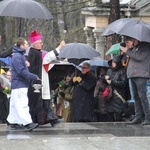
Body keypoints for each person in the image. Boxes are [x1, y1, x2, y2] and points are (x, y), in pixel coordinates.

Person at [27, 30, 65, 126]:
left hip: (41, 79)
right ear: (35, 44)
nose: (42, 44)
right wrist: (59, 48)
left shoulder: (37, 53)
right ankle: (41, 119)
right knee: (39, 101)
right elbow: (47, 58)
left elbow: (45, 63)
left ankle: (50, 119)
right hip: (37, 82)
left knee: (44, 100)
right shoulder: (34, 53)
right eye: (40, 43)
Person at [7, 37, 39, 131]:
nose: (28, 45)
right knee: (22, 104)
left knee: (15, 104)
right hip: (20, 84)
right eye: (26, 44)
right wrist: (34, 76)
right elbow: (21, 71)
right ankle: (27, 123)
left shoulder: (18, 55)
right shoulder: (18, 56)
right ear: (21, 46)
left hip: (17, 84)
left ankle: (13, 121)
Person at [121, 39, 150, 125]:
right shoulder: (133, 49)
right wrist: (126, 52)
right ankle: (138, 116)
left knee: (142, 96)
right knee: (136, 97)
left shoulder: (145, 47)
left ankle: (147, 117)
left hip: (141, 75)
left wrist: (127, 51)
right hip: (132, 75)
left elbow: (139, 57)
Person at [105, 56, 127, 122]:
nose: (113, 64)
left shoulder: (122, 71)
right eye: (112, 62)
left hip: (118, 95)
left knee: (118, 114)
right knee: (109, 115)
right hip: (110, 96)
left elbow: (123, 83)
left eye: (114, 62)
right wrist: (105, 79)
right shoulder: (109, 71)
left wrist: (112, 82)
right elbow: (104, 82)